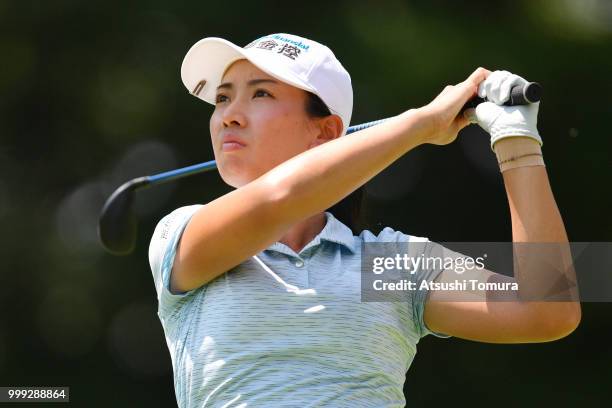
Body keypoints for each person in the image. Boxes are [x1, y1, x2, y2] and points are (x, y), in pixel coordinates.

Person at [148, 33, 581, 407]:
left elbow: (547, 309)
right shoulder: (180, 233)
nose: (229, 114)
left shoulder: (385, 266)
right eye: (223, 97)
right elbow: (278, 198)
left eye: (261, 93)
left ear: (326, 133)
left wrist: (517, 143)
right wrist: (422, 123)